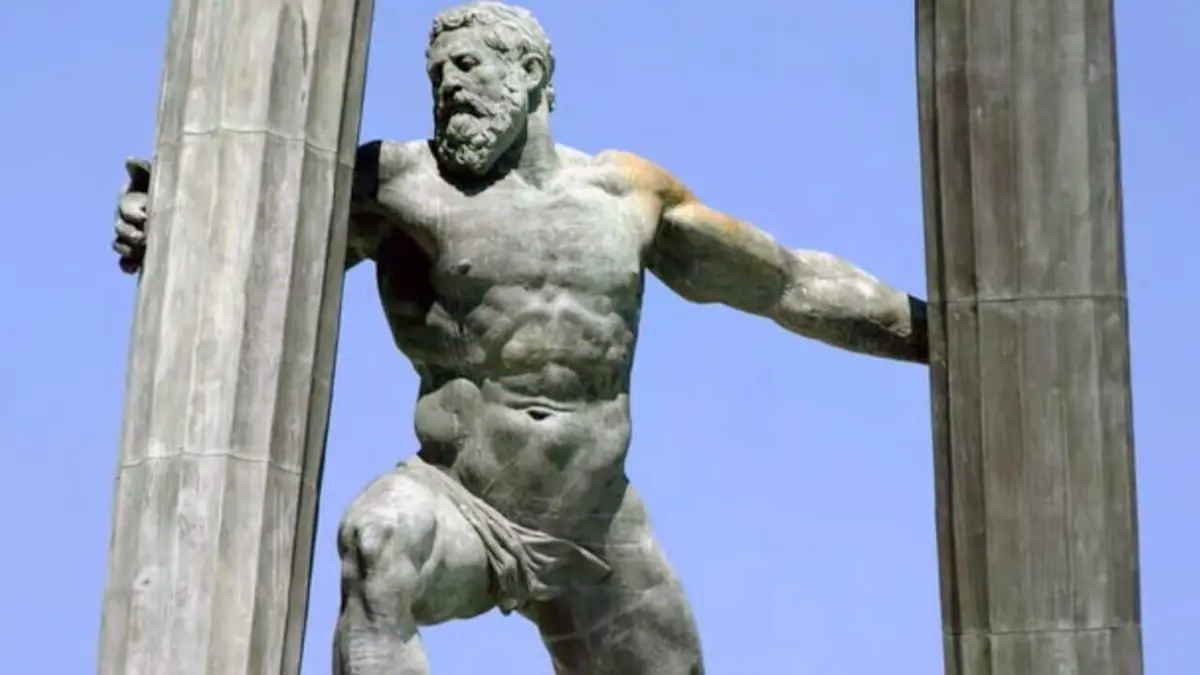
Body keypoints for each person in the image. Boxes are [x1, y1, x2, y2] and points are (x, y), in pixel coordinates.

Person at [112, 3, 928, 673]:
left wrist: (939, 335)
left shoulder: (624, 196)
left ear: (530, 72)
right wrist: (166, 217)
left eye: (466, 67)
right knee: (378, 539)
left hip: (596, 522)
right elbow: (260, 215)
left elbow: (788, 282)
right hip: (463, 504)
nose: (448, 88)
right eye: (437, 75)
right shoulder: (401, 184)